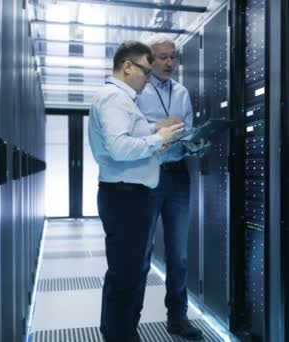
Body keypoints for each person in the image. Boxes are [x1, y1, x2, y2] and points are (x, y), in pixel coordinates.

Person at [88, 40, 184, 342]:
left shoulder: (121, 99)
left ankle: (121, 334)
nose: (149, 77)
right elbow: (118, 148)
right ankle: (120, 336)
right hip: (125, 196)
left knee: (125, 275)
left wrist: (156, 134)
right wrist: (158, 139)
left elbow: (128, 139)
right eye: (145, 69)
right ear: (127, 67)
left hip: (128, 195)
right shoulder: (115, 98)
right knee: (125, 277)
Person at [136, 33, 209, 340]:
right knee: (141, 252)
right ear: (150, 60)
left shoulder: (181, 92)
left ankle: (177, 319)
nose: (168, 62)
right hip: (148, 174)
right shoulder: (137, 90)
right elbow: (131, 131)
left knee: (178, 255)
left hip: (178, 175)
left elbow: (189, 131)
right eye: (162, 57)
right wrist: (157, 131)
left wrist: (197, 143)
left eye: (172, 57)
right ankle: (129, 322)